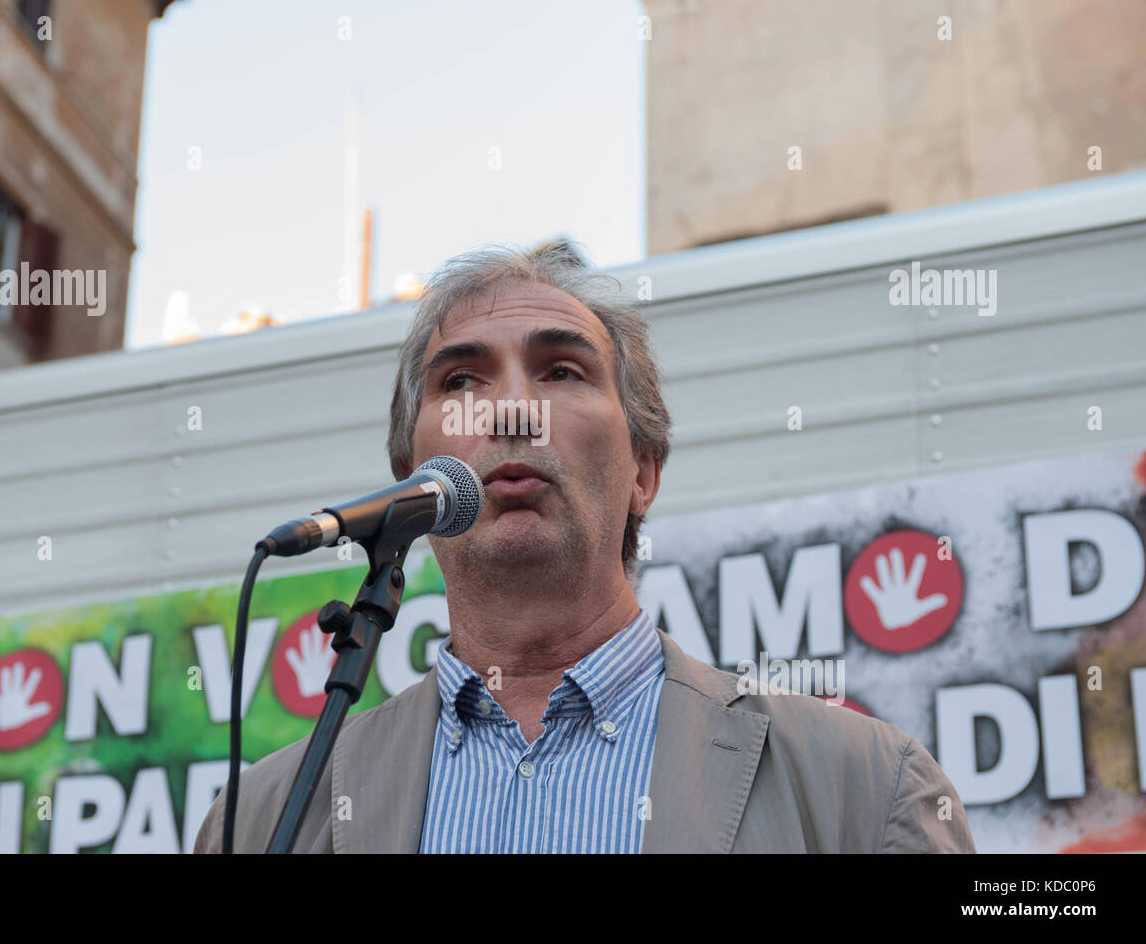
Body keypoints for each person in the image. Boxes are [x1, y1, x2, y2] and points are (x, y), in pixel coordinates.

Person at [194, 240, 976, 853]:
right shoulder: (264, 818)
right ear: (412, 486)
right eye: (461, 381)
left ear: (643, 469)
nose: (509, 412)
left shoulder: (866, 789)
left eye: (561, 370)